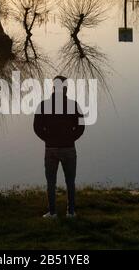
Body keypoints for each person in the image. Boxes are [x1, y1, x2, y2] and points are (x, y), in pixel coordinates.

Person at [33, 76, 85, 218]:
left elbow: (37, 127)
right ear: (66, 88)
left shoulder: (43, 105)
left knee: (51, 182)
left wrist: (48, 139)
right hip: (69, 148)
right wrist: (71, 138)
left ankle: (52, 212)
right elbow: (81, 125)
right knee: (70, 182)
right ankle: (71, 212)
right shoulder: (74, 105)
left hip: (51, 149)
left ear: (53, 88)